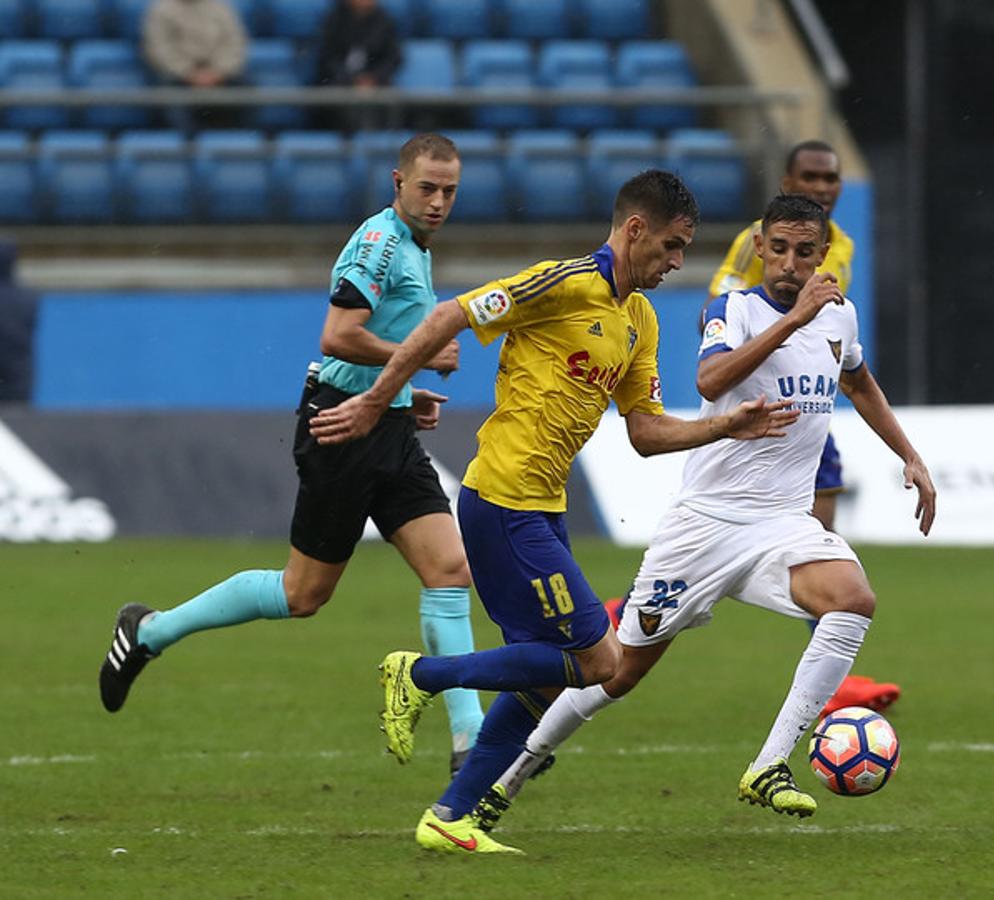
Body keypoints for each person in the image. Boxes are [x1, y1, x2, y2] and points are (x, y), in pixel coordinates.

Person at [307, 170, 800, 856]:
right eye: (670, 246)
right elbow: (450, 315)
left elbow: (646, 431)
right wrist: (375, 399)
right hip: (502, 501)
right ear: (634, 230)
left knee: (542, 675)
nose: (677, 261)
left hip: (545, 508)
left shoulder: (640, 320)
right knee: (600, 659)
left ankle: (452, 817)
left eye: (683, 249)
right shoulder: (561, 282)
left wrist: (726, 425)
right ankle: (420, 675)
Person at [446, 194, 936, 852]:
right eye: (780, 249)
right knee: (613, 672)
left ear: (826, 256)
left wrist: (910, 456)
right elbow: (711, 380)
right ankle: (510, 774)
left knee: (853, 600)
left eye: (806, 252)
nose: (791, 264)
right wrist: (793, 320)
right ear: (760, 247)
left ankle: (769, 764)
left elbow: (860, 382)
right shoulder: (731, 308)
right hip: (704, 529)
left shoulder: (838, 317)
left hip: (779, 526)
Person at [99, 133, 487, 776]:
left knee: (450, 569)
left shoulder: (416, 247)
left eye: (449, 191)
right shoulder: (380, 242)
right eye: (428, 188)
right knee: (303, 593)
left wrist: (401, 393)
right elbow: (338, 336)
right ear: (398, 182)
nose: (439, 201)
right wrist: (412, 358)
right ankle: (148, 631)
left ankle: (470, 740)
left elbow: (377, 339)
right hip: (340, 429)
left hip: (383, 425)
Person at [700, 139, 900, 715]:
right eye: (809, 177)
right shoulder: (754, 242)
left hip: (811, 403)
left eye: (830, 177)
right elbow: (720, 307)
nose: (821, 186)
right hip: (760, 402)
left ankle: (828, 666)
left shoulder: (843, 246)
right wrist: (789, 320)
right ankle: (625, 613)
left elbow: (839, 342)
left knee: (823, 529)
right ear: (789, 179)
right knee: (703, 564)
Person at [142, 0, 248, 130]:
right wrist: (188, 73)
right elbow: (159, 49)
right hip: (179, 77)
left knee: (247, 88)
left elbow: (235, 44)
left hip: (219, 75)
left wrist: (218, 71)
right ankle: (187, 142)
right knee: (169, 94)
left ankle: (235, 139)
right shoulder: (161, 9)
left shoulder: (220, 8)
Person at [314, 0, 403, 131]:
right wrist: (351, 80)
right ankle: (347, 139)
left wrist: (374, 78)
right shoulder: (334, 20)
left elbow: (393, 57)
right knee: (337, 99)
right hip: (340, 81)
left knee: (391, 99)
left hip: (376, 81)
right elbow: (327, 58)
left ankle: (386, 138)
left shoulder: (384, 20)